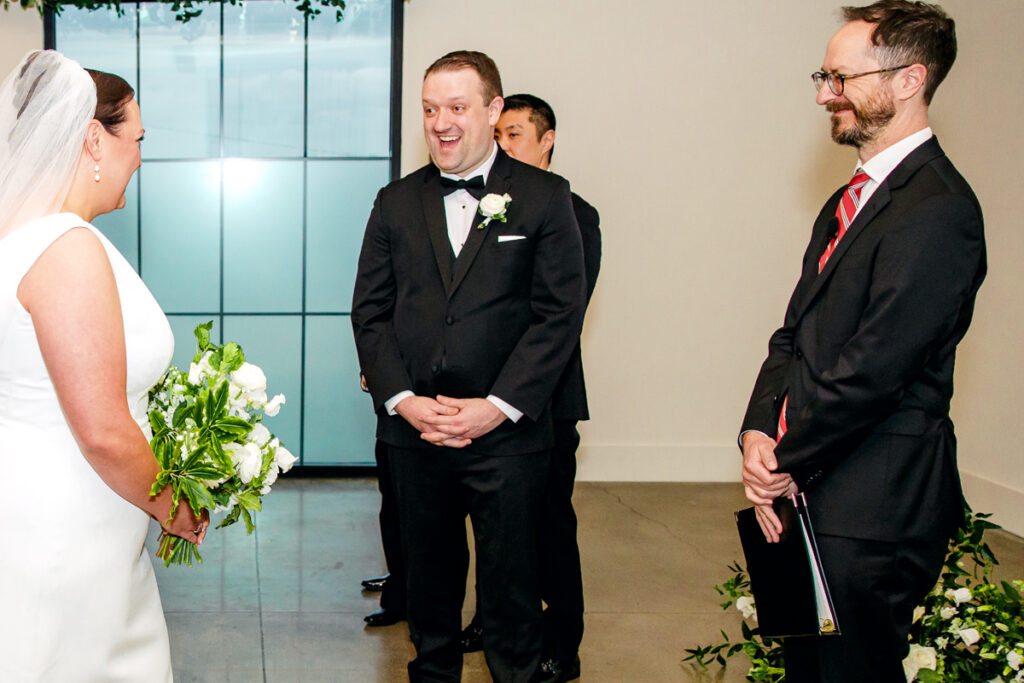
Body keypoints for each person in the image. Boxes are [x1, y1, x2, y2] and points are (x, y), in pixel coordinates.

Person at [738, 2, 985, 681]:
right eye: (824, 76)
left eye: (840, 78)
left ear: (909, 80)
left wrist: (782, 457)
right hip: (802, 491)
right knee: (803, 671)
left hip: (871, 511)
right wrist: (757, 433)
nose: (825, 94)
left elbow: (875, 369)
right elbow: (792, 334)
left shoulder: (938, 210)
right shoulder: (851, 198)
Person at [351, 51, 586, 683]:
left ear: (493, 110)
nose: (441, 123)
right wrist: (402, 398)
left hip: (507, 437)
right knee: (428, 596)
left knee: (512, 594)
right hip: (416, 433)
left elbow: (558, 314)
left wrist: (496, 407)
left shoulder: (544, 197)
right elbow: (369, 312)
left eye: (457, 108)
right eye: (430, 109)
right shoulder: (395, 202)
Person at [0, 50, 208, 681]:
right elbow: (101, 427)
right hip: (67, 532)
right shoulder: (66, 248)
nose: (140, 157)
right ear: (94, 138)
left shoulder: (27, 239)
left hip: (72, 516)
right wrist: (177, 505)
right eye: (136, 139)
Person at [455, 94, 600, 682]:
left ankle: (561, 639)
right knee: (492, 526)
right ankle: (496, 621)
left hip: (544, 402)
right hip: (477, 405)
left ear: (548, 140)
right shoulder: (483, 204)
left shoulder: (571, 209)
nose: (505, 143)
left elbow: (562, 312)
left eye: (516, 133)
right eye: (500, 132)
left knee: (547, 525)